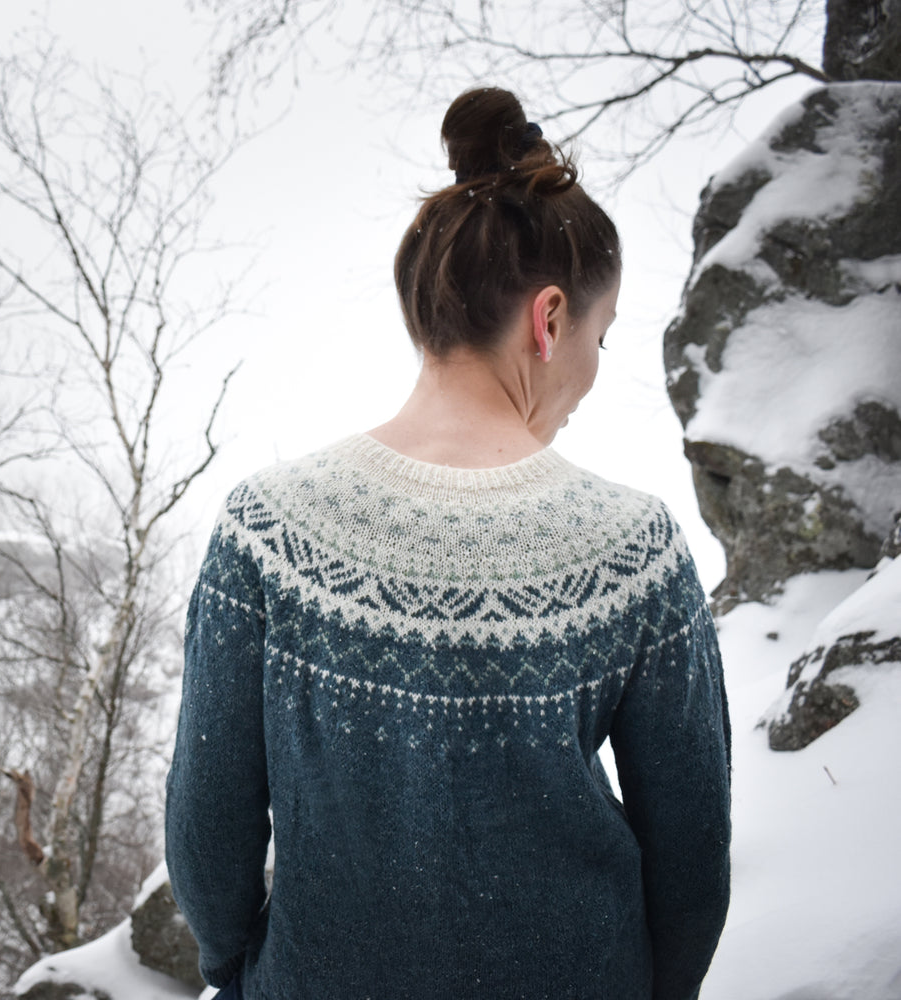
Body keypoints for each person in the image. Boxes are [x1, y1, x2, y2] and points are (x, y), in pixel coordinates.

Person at [163, 87, 732, 1000]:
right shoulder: (637, 550)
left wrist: (243, 973)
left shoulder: (265, 527)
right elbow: (692, 855)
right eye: (602, 335)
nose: (593, 366)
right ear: (550, 320)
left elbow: (208, 826)